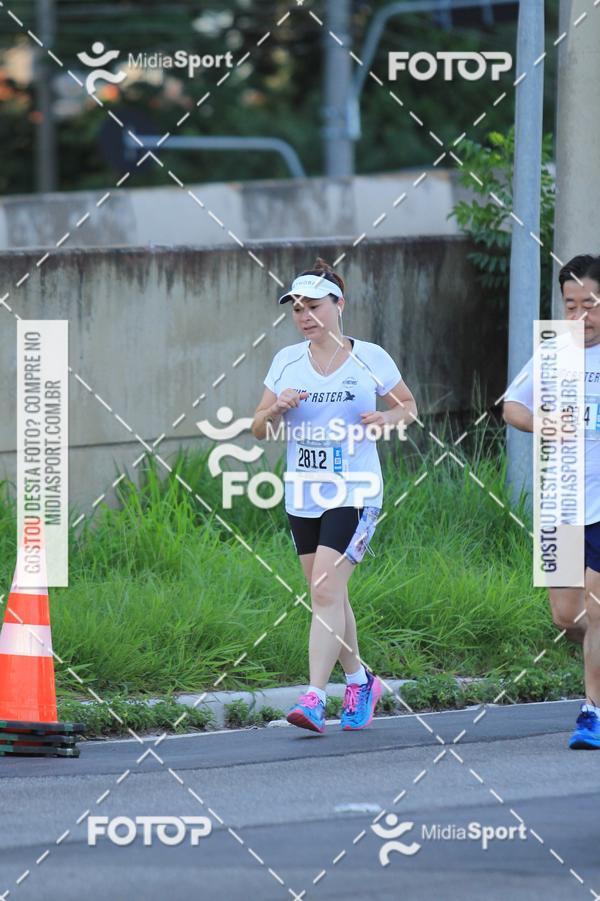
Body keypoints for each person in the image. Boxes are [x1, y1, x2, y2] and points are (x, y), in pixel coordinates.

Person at [251, 257, 417, 733]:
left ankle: (313, 698)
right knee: (329, 593)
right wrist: (275, 411)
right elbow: (258, 428)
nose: (305, 316)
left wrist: (388, 418)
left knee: (324, 589)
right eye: (296, 309)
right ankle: (361, 681)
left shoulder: (371, 357)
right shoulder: (286, 361)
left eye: (314, 306)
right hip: (303, 492)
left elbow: (408, 405)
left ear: (338, 305)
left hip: (356, 490)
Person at [503, 254, 600, 749]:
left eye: (591, 304)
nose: (580, 315)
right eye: (571, 304)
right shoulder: (554, 351)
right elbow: (511, 407)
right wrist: (543, 422)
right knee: (566, 617)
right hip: (561, 501)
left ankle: (592, 712)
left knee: (597, 609)